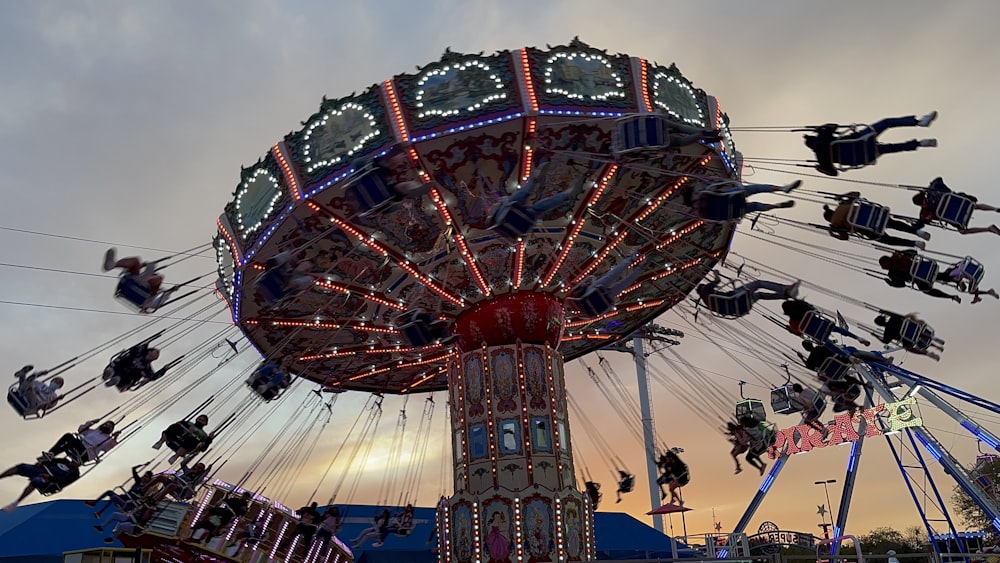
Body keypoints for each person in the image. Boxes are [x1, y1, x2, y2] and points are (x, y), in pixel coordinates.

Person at [803, 112, 937, 177]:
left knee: (889, 148)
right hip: (862, 140)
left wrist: (820, 168)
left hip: (863, 157)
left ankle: (921, 144)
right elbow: (833, 126)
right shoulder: (822, 137)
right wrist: (820, 129)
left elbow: (833, 173)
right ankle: (918, 122)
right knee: (886, 123)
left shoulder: (821, 158)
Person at [488, 158, 588, 239]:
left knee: (538, 207)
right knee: (523, 194)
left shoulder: (497, 223)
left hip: (521, 222)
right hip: (507, 213)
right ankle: (534, 178)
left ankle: (565, 195)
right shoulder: (495, 212)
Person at [823, 191, 929, 248]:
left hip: (867, 228)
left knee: (887, 240)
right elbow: (856, 194)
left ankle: (914, 243)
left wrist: (833, 233)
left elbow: (845, 237)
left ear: (828, 219)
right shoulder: (842, 204)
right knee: (893, 224)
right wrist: (842, 196)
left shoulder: (834, 223)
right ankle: (917, 232)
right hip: (875, 214)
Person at [913, 177, 1000, 235]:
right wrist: (928, 188)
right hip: (963, 204)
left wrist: (914, 225)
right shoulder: (934, 189)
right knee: (974, 206)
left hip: (957, 219)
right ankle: (995, 209)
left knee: (962, 231)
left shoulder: (925, 212)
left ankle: (988, 229)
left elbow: (922, 222)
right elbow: (938, 179)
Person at [683, 180, 800, 220]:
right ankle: (782, 188)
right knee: (755, 188)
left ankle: (776, 206)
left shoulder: (701, 213)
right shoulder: (703, 195)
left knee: (755, 206)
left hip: (735, 212)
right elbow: (714, 188)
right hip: (732, 199)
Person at [568, 256, 646, 316]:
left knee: (622, 284)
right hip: (592, 291)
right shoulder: (571, 298)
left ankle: (640, 268)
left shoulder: (580, 308)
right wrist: (586, 283)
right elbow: (577, 290)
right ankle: (631, 259)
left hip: (602, 300)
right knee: (612, 276)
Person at [102, 248, 175, 311]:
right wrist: (140, 266)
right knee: (136, 261)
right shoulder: (153, 283)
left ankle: (144, 278)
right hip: (132, 283)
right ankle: (112, 265)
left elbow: (154, 305)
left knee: (159, 279)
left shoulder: (156, 289)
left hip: (142, 294)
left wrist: (169, 293)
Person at [878, 250, 963, 303]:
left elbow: (901, 284)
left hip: (919, 278)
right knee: (941, 276)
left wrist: (891, 283)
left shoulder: (892, 273)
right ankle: (956, 275)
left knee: (927, 290)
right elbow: (914, 253)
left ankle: (950, 295)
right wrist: (903, 254)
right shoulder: (899, 256)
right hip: (925, 267)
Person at [697, 273, 799, 317]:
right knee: (758, 284)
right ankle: (785, 289)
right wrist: (716, 273)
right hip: (737, 298)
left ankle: (784, 295)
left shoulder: (707, 303)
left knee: (759, 295)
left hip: (742, 308)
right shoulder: (705, 289)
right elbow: (717, 280)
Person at [0, 456, 80, 511]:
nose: (73, 463)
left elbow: (63, 481)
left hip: (49, 479)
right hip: (42, 469)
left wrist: (49, 477)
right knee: (21, 467)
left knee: (36, 481)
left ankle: (16, 502)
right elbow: (50, 461)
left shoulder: (74, 474)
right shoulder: (64, 461)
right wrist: (42, 463)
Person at [781, 300, 871, 345]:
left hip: (818, 336)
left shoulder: (792, 322)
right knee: (837, 329)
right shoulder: (805, 310)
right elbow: (815, 311)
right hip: (825, 326)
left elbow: (798, 332)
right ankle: (857, 337)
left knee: (825, 344)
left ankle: (847, 355)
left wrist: (791, 330)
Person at [87, 464, 153, 519]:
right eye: (144, 475)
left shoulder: (146, 488)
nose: (144, 477)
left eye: (146, 477)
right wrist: (143, 465)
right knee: (109, 492)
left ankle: (100, 512)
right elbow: (133, 469)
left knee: (114, 497)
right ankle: (94, 502)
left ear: (149, 479)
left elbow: (142, 498)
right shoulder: (138, 481)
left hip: (128, 504)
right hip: (123, 498)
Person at [41, 418, 119, 464]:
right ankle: (51, 454)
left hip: (86, 453)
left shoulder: (108, 439)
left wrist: (115, 437)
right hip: (79, 447)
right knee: (68, 436)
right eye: (106, 424)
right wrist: (91, 422)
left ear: (111, 430)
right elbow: (81, 430)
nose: (107, 426)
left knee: (73, 442)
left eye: (109, 427)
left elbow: (107, 448)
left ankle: (52, 455)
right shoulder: (94, 431)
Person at [873, 311, 945, 361]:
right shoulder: (894, 318)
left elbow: (885, 341)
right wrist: (886, 313)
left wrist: (876, 336)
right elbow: (901, 316)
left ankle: (927, 353)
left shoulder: (887, 332)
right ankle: (934, 339)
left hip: (908, 338)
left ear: (880, 325)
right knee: (917, 333)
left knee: (908, 347)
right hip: (916, 330)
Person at [188, 491, 253, 544]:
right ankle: (203, 520)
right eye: (244, 495)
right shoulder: (236, 500)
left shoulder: (244, 505)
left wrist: (241, 513)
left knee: (225, 521)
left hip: (230, 514)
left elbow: (242, 513)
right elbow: (227, 500)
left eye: (246, 496)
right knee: (212, 510)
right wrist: (227, 495)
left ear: (247, 498)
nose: (244, 497)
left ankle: (215, 531)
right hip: (225, 511)